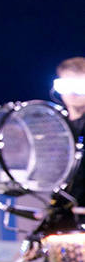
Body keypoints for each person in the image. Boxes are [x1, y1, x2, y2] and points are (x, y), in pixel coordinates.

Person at [55, 57, 85, 209]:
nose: (72, 92)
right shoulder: (54, 125)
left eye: (79, 85)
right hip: (63, 207)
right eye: (66, 84)